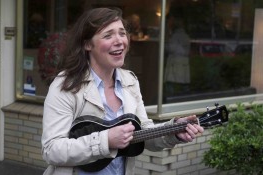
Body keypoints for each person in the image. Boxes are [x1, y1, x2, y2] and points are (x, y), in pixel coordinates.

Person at [41, 8, 204, 175]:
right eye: (108, 35)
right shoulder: (66, 85)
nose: (119, 41)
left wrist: (173, 132)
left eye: (122, 33)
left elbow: (143, 132)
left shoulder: (129, 82)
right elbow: (52, 150)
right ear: (87, 44)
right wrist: (106, 141)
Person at [164, 14, 191, 96]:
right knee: (184, 84)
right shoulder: (185, 35)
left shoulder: (176, 35)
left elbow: (172, 48)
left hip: (176, 62)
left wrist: (164, 45)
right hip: (183, 62)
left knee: (171, 84)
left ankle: (171, 98)